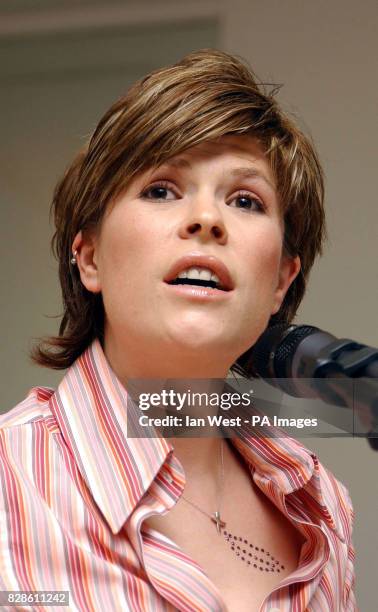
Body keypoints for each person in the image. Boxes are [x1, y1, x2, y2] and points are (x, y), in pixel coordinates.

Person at [0, 49, 356, 611]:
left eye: (245, 199)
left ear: (281, 283)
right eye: (161, 189)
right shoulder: (9, 481)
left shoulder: (321, 504)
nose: (207, 219)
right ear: (89, 256)